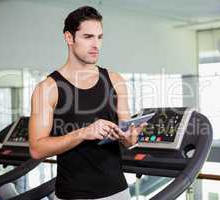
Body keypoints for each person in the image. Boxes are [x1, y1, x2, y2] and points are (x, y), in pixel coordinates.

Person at [29, 6, 146, 200]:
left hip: (118, 192)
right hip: (72, 195)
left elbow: (127, 140)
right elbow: (36, 149)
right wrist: (84, 133)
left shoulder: (115, 80)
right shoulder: (48, 88)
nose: (96, 45)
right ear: (69, 38)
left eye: (99, 37)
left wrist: (129, 138)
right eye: (88, 37)